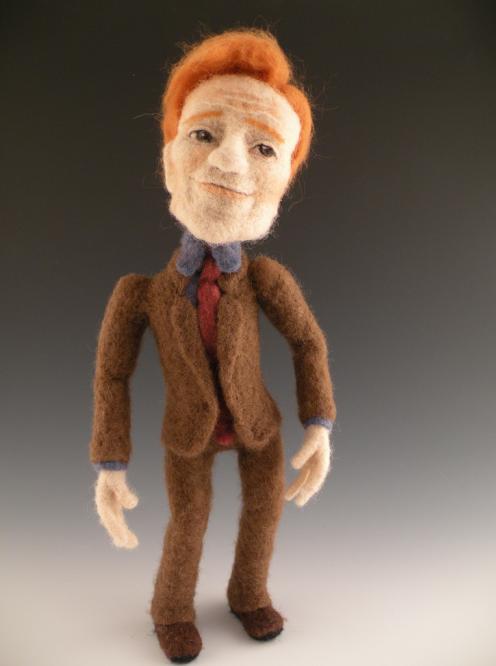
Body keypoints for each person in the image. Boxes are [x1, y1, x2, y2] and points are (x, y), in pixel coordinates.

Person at [89, 28, 337, 663]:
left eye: (262, 147)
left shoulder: (266, 279)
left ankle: (249, 595)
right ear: (170, 155)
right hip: (188, 431)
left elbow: (308, 342)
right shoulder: (141, 293)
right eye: (204, 134)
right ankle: (171, 610)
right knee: (189, 520)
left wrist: (319, 423)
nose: (228, 163)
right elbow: (112, 375)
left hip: (259, 424)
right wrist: (110, 462)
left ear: (282, 179)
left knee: (264, 514)